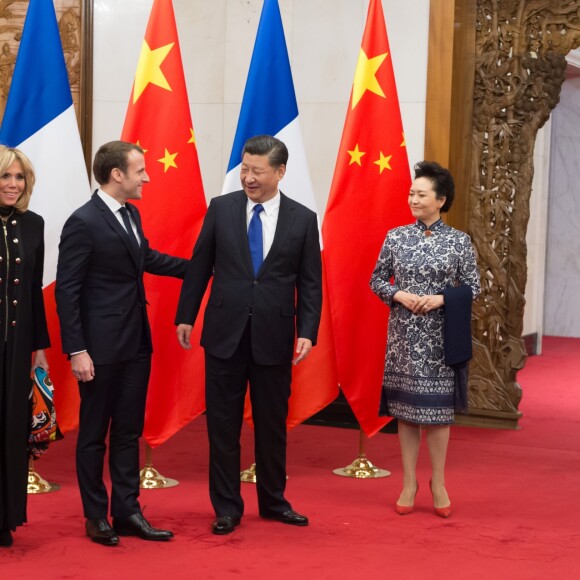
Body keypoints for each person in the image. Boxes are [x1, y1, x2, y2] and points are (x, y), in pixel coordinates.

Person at [175, 135, 322, 535]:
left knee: (272, 425)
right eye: (244, 168)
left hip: (274, 337)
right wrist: (186, 315)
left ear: (280, 172)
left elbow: (311, 283)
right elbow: (200, 264)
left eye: (257, 170)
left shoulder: (303, 219)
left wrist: (308, 330)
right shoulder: (221, 209)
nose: (248, 177)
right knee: (222, 426)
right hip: (224, 334)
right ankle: (227, 507)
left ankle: (274, 501)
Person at [55, 141, 187, 546]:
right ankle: (96, 517)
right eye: (140, 171)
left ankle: (127, 511)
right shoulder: (83, 221)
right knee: (95, 433)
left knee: (129, 431)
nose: (147, 177)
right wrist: (77, 350)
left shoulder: (131, 213)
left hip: (135, 343)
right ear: (117, 175)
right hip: (97, 349)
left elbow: (147, 258)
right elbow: (67, 291)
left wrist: (205, 267)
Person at [370, 161, 480, 518]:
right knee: (407, 413)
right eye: (411, 193)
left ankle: (438, 481)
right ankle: (408, 482)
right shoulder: (396, 236)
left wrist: (442, 299)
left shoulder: (460, 241)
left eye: (421, 194)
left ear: (441, 199)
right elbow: (376, 280)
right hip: (404, 335)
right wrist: (398, 295)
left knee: (437, 413)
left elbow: (474, 286)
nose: (413, 199)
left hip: (441, 337)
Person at [0, 146, 50, 548]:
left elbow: (33, 292)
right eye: (6, 177)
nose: (13, 185)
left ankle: (6, 517)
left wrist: (40, 348)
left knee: (11, 429)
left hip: (17, 349)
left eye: (19, 178)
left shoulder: (34, 224)